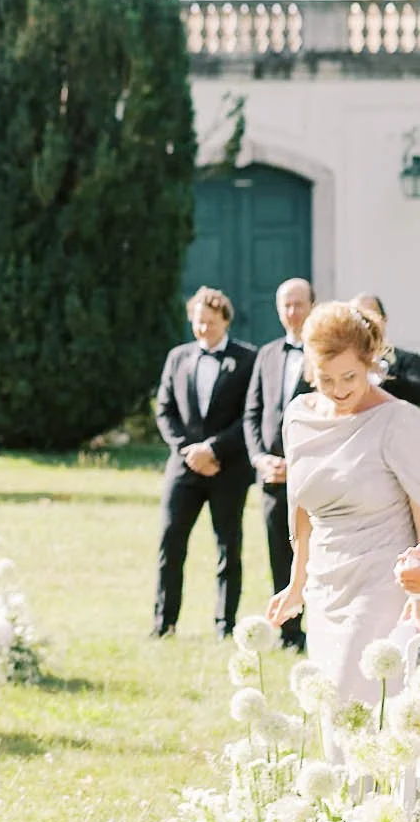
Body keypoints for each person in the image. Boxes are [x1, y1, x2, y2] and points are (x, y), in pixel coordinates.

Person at [267, 300, 420, 707]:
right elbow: (300, 507)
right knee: (327, 711)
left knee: (356, 703)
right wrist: (297, 584)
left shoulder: (398, 420)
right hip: (324, 585)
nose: (339, 390)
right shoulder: (299, 417)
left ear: (369, 361)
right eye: (325, 379)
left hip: (382, 584)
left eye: (350, 376)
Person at [152, 287, 256, 639]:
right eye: (198, 323)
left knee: (229, 546)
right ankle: (163, 624)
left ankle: (225, 625)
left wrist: (213, 449)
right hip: (184, 469)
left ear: (224, 320)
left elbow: (249, 416)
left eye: (210, 323)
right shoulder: (178, 358)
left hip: (228, 469)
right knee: (171, 542)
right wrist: (188, 451)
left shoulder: (247, 359)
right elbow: (165, 410)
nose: (203, 329)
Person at [243, 276, 314, 648]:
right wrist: (259, 458)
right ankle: (289, 632)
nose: (291, 312)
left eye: (298, 304)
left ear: (312, 307)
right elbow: (251, 413)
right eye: (286, 305)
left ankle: (319, 628)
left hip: (310, 475)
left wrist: (297, 464)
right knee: (278, 551)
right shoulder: (266, 354)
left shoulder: (325, 355)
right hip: (271, 476)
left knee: (315, 554)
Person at [351, 293, 420, 410]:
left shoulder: (408, 360)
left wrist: (382, 375)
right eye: (360, 318)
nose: (366, 325)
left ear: (384, 318)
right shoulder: (344, 364)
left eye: (372, 316)